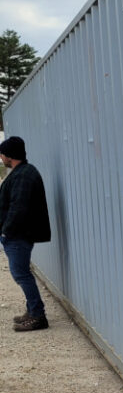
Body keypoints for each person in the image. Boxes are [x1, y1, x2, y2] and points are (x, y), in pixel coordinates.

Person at [0, 136, 51, 332]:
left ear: (10, 155)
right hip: (17, 234)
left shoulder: (23, 175)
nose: (1, 157)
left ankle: (38, 316)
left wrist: (6, 232)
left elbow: (18, 208)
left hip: (18, 235)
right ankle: (32, 310)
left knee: (21, 274)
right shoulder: (22, 172)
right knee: (21, 273)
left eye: (3, 154)